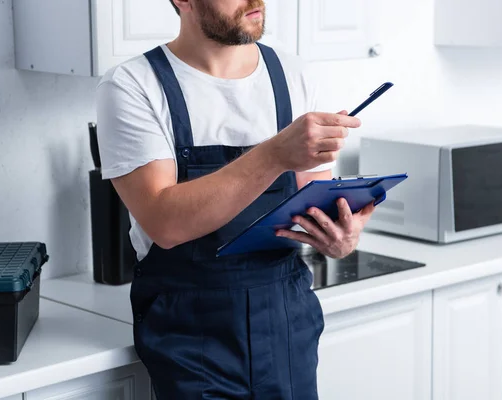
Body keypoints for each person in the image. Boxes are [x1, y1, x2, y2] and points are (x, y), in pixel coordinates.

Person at [96, 0, 375, 398]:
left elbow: (314, 204)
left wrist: (340, 237)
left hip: (286, 320)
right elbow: (165, 223)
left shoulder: (294, 75)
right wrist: (275, 153)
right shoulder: (133, 85)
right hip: (190, 334)